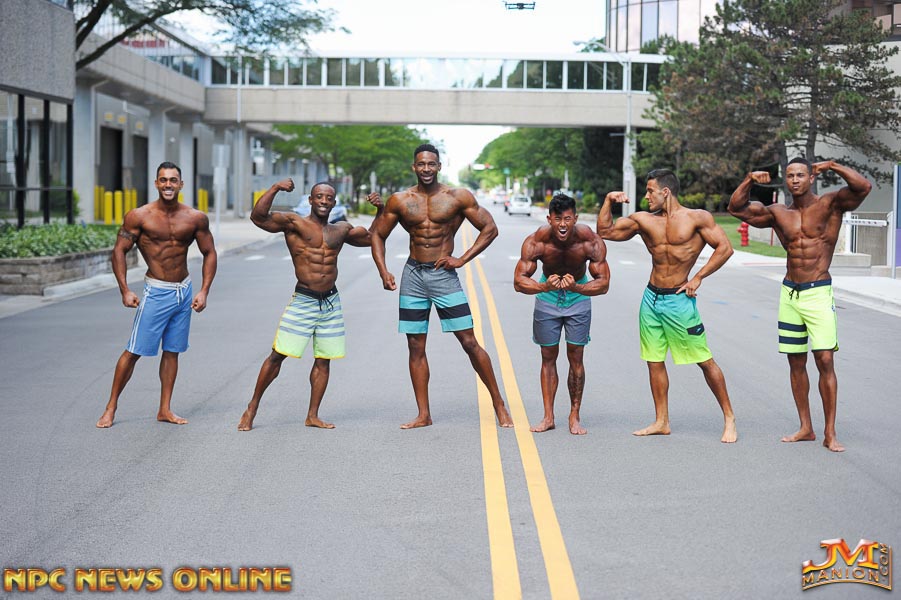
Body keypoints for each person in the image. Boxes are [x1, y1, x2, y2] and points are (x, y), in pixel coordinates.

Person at [728, 159, 871, 452]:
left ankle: (830, 432)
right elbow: (736, 209)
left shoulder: (830, 204)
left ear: (811, 178)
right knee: (796, 361)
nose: (795, 180)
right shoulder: (779, 213)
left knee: (825, 360)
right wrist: (749, 179)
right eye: (790, 175)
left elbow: (863, 187)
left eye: (801, 175)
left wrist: (833, 165)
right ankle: (806, 427)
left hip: (818, 292)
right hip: (790, 294)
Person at [370, 143, 514, 429]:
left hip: (443, 276)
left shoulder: (457, 197)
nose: (426, 168)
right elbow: (377, 235)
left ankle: (499, 403)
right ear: (414, 166)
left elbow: (490, 228)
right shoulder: (400, 200)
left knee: (469, 341)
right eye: (421, 164)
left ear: (438, 166)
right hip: (413, 275)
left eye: (431, 164)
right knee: (415, 346)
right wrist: (383, 271)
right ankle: (423, 414)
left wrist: (462, 259)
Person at [597, 169, 737, 443]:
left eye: (650, 191)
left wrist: (698, 277)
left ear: (666, 192)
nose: (646, 196)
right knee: (654, 360)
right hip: (651, 298)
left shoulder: (697, 218)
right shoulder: (643, 220)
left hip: (679, 300)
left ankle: (729, 417)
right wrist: (608, 201)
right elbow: (605, 231)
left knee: (704, 360)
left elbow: (725, 248)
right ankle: (661, 421)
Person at [238, 180, 382, 431]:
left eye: (329, 198)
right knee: (278, 355)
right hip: (304, 299)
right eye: (319, 196)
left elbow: (373, 238)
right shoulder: (294, 223)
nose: (324, 201)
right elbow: (258, 217)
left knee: (324, 360)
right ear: (311, 200)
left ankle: (313, 415)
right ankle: (252, 407)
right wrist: (275, 188)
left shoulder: (341, 229)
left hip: (330, 302)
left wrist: (381, 210)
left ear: (334, 202)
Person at [96, 161, 217, 428]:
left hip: (183, 291)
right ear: (156, 183)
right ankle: (110, 407)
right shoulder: (139, 216)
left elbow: (209, 252)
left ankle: (165, 409)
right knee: (134, 351)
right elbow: (119, 251)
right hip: (156, 292)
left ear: (181, 184)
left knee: (172, 351)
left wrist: (204, 290)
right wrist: (125, 290)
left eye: (173, 180)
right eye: (163, 180)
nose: (168, 185)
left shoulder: (195, 218)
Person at [513, 193, 610, 435]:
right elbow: (519, 281)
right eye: (557, 219)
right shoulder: (537, 241)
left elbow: (604, 284)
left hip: (578, 295)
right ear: (549, 219)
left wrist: (577, 288)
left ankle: (574, 415)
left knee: (576, 356)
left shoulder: (590, 241)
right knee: (548, 356)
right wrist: (543, 286)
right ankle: (548, 417)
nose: (563, 224)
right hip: (547, 296)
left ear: (575, 218)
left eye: (567, 218)